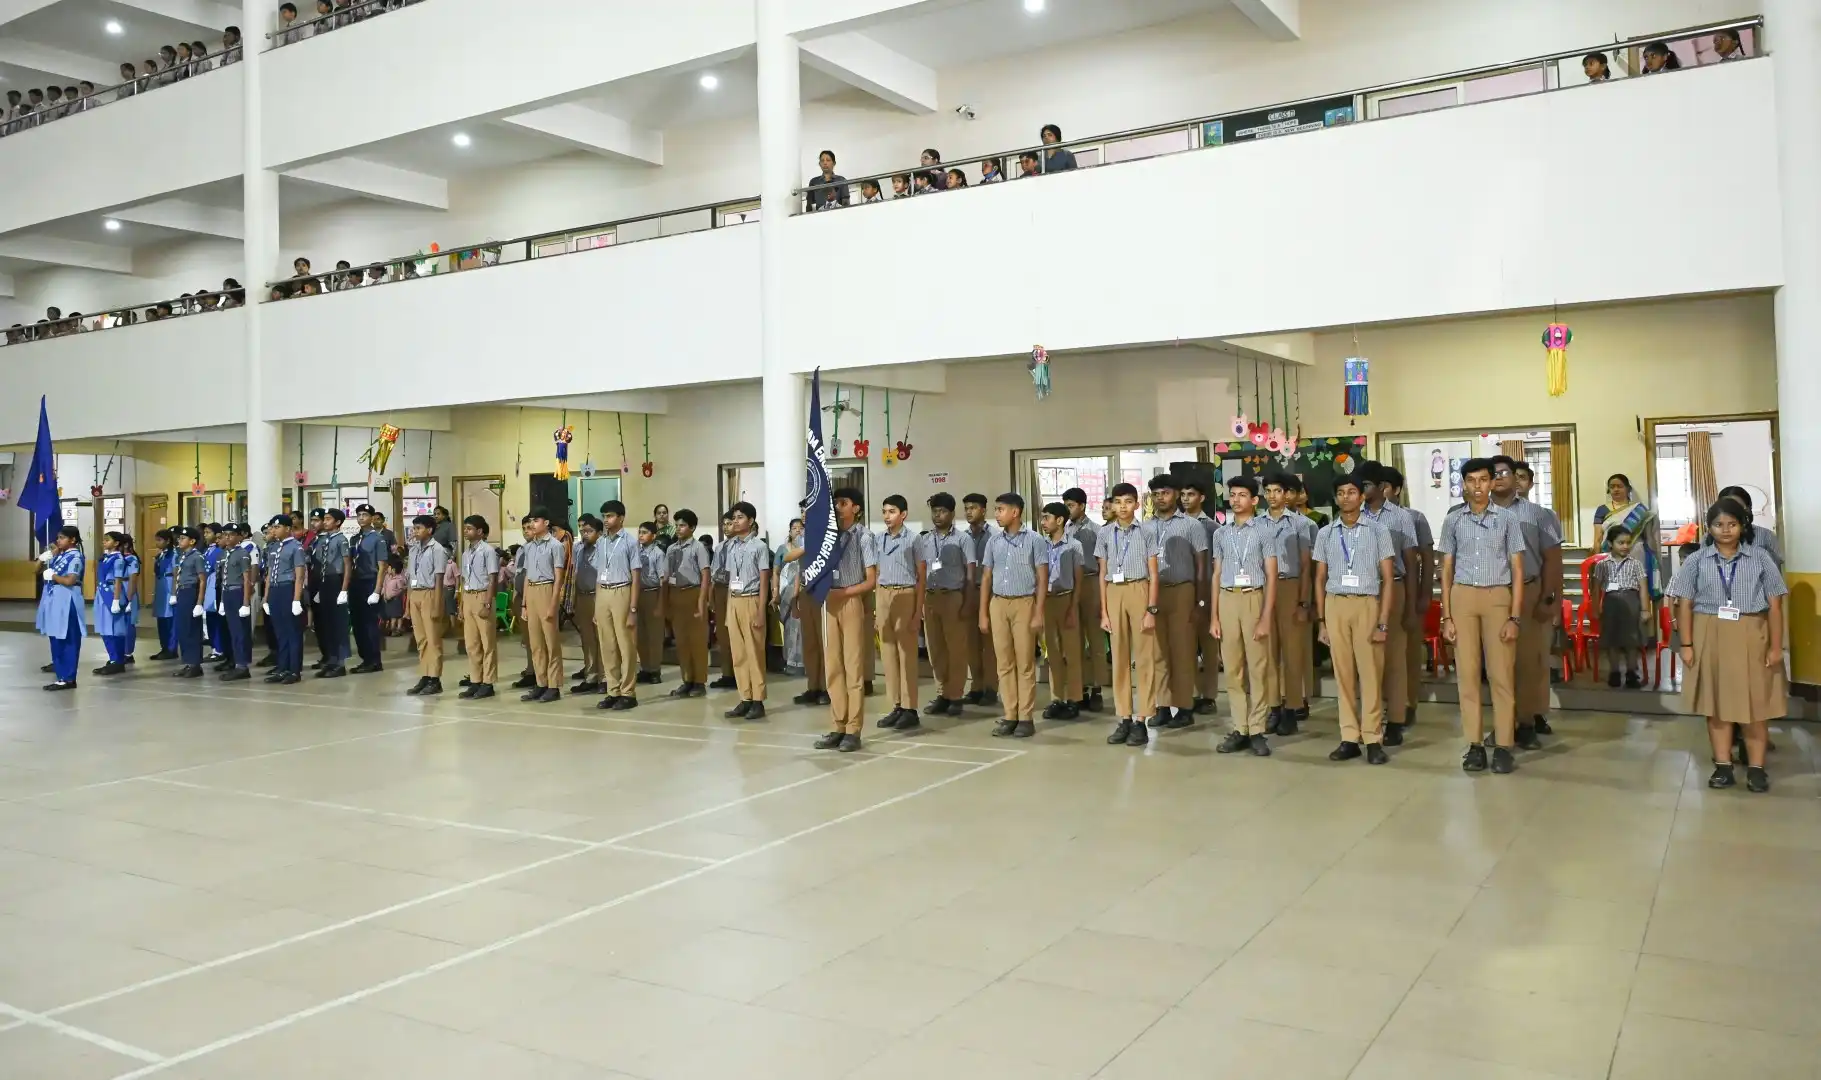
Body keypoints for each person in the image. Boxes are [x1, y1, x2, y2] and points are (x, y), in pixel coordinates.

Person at [1669, 497, 1785, 792]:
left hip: (1752, 631)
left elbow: (1775, 605)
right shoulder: (1696, 560)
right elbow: (1684, 603)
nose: (1725, 530)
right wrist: (1687, 644)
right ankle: (1723, 766)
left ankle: (1756, 769)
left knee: (1755, 705)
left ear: (1742, 526)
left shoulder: (1760, 558)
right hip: (1709, 631)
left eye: (1732, 524)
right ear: (1708, 527)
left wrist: (1775, 647)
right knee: (1716, 705)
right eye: (1718, 524)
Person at [1438, 458, 1526, 773]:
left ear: (1492, 482)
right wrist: (1447, 616)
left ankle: (1503, 746)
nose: (1478, 486)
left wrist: (1515, 617)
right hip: (1462, 597)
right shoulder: (1453, 520)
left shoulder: (1507, 519)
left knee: (1501, 675)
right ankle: (1475, 746)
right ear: (1463, 484)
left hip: (1498, 597)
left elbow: (1518, 569)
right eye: (1472, 480)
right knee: (1468, 675)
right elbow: (1446, 569)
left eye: (1484, 479)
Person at [1314, 474, 1396, 764]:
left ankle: (1373, 738)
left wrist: (1383, 622)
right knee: (1343, 675)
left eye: (1351, 492)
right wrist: (1322, 621)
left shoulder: (1378, 531)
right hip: (1336, 604)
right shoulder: (1325, 534)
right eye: (1341, 492)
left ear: (1362, 497)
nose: (1346, 497)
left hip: (1366, 604)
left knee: (1370, 674)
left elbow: (1389, 579)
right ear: (1335, 498)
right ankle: (1349, 737)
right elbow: (1319, 578)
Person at [1493, 456, 1562, 747]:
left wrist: (1549, 598)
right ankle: (1502, 724)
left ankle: (1526, 722)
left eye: (1505, 473)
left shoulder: (1538, 514)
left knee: (1528, 661)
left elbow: (1553, 559)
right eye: (1493, 473)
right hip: (1492, 593)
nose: (1499, 478)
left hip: (1529, 590)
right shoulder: (1475, 515)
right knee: (1497, 664)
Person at [1210, 476, 1281, 755]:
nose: (1236, 500)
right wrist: (1214, 616)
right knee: (1232, 668)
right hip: (1227, 598)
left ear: (1254, 500)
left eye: (1242, 495)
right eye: (1233, 495)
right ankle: (1240, 728)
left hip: (1254, 597)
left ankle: (1258, 729)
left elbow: (1272, 575)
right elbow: (1216, 574)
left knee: (1258, 667)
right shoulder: (1221, 534)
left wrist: (1265, 617)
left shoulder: (1265, 532)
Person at [1360, 463, 1422, 743]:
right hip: (1363, 591)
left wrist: (1411, 606)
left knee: (1395, 658)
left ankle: (1396, 719)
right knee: (1367, 659)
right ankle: (1371, 719)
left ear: (1381, 487)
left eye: (1365, 485)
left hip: (1393, 587)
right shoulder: (1353, 515)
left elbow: (1411, 563)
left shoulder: (1400, 518)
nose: (1360, 491)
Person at [1099, 482, 1161, 747]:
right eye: (1118, 502)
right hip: (1114, 591)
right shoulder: (1104, 533)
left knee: (1144, 659)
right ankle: (1124, 717)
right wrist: (1104, 611)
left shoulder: (1147, 532)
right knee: (1119, 658)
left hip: (1139, 589)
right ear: (1112, 505)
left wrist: (1151, 609)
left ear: (1136, 504)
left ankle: (1141, 720)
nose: (1122, 506)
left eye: (1127, 501)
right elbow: (1102, 574)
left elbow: (1154, 574)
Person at [980, 493, 1046, 737]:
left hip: (1024, 603)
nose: (996, 514)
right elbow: (986, 577)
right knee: (1004, 662)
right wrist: (983, 613)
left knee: (1025, 662)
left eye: (1000, 509)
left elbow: (1042, 578)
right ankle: (1010, 714)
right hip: (998, 603)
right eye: (996, 509)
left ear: (1015, 512)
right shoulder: (993, 542)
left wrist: (1038, 613)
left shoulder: (1035, 540)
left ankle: (1026, 717)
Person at [1144, 473, 1207, 730]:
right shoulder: (1145, 528)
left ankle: (1184, 707)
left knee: (1182, 651)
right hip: (1154, 592)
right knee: (1157, 651)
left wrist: (1200, 602)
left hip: (1183, 591)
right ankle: (1162, 706)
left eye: (1166, 493)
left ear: (1177, 495)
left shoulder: (1192, 526)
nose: (1160, 498)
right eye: (1156, 494)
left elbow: (1201, 567)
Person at [816, 488, 877, 751]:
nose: (838, 507)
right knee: (833, 666)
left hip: (850, 600)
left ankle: (853, 728)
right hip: (829, 602)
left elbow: (871, 580)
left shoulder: (864, 537)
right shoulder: (829, 536)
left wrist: (845, 592)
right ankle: (837, 725)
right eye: (836, 503)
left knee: (853, 666)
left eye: (844, 503)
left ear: (856, 508)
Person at [1379, 467, 1433, 741]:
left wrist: (1424, 595)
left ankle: (1408, 703)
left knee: (1407, 653)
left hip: (1405, 590)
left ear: (1397, 490)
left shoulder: (1413, 518)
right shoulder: (1362, 516)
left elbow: (1425, 560)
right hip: (1373, 592)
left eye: (1386, 486)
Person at [1261, 473, 1316, 735]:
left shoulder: (1301, 524)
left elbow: (1306, 567)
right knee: (1268, 651)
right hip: (1263, 588)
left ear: (1287, 494)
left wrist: (1304, 602)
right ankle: (1274, 706)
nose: (1272, 496)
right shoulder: (1256, 524)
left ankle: (1293, 707)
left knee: (1292, 652)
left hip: (1290, 586)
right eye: (1268, 491)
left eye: (1277, 491)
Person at [919, 493, 975, 717]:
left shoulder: (963, 539)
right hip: (930, 597)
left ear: (952, 514)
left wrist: (968, 602)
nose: (937, 515)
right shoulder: (925, 540)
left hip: (953, 597)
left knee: (956, 649)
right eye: (934, 511)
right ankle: (942, 693)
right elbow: (920, 572)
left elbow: (970, 574)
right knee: (935, 650)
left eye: (942, 511)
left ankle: (956, 696)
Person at [875, 495, 925, 730]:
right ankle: (895, 705)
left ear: (903, 514)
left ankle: (910, 708)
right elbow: (876, 573)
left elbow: (921, 576)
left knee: (906, 655)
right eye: (885, 511)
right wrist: (877, 610)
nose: (887, 516)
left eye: (892, 511)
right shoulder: (878, 539)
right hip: (884, 594)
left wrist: (917, 612)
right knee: (888, 655)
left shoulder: (914, 539)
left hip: (905, 593)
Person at [718, 502, 771, 719]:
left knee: (754, 653)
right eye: (733, 518)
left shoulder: (759, 547)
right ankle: (745, 697)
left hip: (751, 599)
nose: (735, 521)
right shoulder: (730, 546)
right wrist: (728, 609)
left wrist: (761, 611)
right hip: (734, 599)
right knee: (738, 653)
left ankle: (758, 700)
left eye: (740, 517)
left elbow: (764, 580)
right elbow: (731, 577)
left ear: (750, 521)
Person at [592, 501, 642, 711]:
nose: (606, 520)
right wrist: (597, 605)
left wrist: (633, 609)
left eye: (610, 516)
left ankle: (628, 692)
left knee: (625, 644)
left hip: (622, 590)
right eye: (604, 516)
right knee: (607, 644)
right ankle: (612, 690)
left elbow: (636, 575)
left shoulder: (630, 542)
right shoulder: (600, 542)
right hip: (603, 591)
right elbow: (599, 573)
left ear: (621, 518)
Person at [1061, 487, 1105, 712]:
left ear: (1082, 506)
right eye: (1066, 506)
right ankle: (1078, 690)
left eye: (1071, 506)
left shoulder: (1096, 531)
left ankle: (1097, 688)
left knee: (1095, 640)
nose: (1068, 510)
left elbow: (1103, 563)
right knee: (1073, 641)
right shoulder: (1064, 530)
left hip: (1091, 583)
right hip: (1069, 585)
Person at [1038, 502, 1084, 721]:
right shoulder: (1040, 545)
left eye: (1047, 517)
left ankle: (1074, 699)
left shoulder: (1074, 545)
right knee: (1053, 653)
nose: (1043, 522)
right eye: (1042, 517)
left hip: (1066, 599)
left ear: (1060, 520)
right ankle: (1056, 698)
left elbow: (1078, 579)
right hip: (1046, 601)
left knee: (1072, 653)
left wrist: (1073, 607)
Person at [1179, 477, 1220, 713]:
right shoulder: (1176, 524)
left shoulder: (1212, 527)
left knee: (1208, 647)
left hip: (1207, 591)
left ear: (1202, 498)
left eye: (1191, 494)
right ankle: (1192, 693)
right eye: (1183, 495)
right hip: (1183, 590)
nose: (1186, 499)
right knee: (1186, 647)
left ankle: (1209, 695)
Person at [516, 508, 565, 702]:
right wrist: (524, 604)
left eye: (536, 520)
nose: (532, 524)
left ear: (546, 523)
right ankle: (541, 682)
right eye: (530, 521)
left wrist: (554, 604)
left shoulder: (555, 546)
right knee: (535, 643)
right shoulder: (529, 547)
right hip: (532, 591)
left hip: (547, 589)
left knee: (551, 643)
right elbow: (527, 577)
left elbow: (559, 577)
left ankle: (554, 686)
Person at [1592, 525, 1650, 687]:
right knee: (1612, 640)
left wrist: (1645, 609)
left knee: (1632, 639)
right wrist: (1595, 608)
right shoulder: (1602, 565)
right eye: (1621, 542)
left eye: (1628, 542)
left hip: (1631, 602)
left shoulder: (1636, 564)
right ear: (1610, 544)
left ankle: (1631, 673)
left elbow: (1643, 587)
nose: (1625, 546)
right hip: (1610, 603)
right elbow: (1595, 589)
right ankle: (1614, 672)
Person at [665, 509, 711, 697]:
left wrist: (702, 601)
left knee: (697, 641)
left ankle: (699, 681)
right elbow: (666, 576)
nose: (678, 529)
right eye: (676, 525)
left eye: (682, 525)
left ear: (692, 528)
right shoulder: (671, 549)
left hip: (693, 592)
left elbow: (705, 575)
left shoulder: (698, 547)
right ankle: (687, 679)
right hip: (676, 594)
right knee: (681, 641)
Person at [401, 514, 448, 695]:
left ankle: (435, 678)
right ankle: (425, 675)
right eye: (414, 528)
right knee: (421, 639)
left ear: (429, 530)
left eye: (418, 528)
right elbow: (410, 579)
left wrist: (437, 604)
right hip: (415, 594)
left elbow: (439, 579)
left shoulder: (437, 550)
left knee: (433, 639)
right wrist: (407, 605)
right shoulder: (414, 550)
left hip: (430, 593)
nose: (415, 531)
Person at [455, 515, 499, 699]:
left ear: (480, 531)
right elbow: (464, 580)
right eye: (465, 528)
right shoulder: (466, 553)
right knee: (471, 643)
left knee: (487, 643)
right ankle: (475, 680)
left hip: (482, 595)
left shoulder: (488, 551)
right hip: (468, 596)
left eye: (469, 528)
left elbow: (492, 579)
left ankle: (488, 683)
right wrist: (461, 604)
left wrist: (487, 603)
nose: (466, 532)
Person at [37, 527, 87, 691]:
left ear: (72, 540)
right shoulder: (59, 555)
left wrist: (53, 576)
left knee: (68, 638)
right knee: (56, 637)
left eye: (62, 538)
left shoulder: (75, 557)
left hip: (67, 599)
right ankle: (61, 676)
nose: (58, 541)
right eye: (58, 537)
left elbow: (70, 580)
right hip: (54, 599)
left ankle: (69, 678)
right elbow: (35, 570)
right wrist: (42, 559)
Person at [961, 493, 998, 705]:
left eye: (973, 508)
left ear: (983, 510)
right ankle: (976, 686)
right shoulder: (963, 537)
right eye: (966, 508)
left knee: (989, 644)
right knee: (970, 643)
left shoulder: (994, 536)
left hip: (989, 592)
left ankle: (991, 688)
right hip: (968, 591)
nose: (969, 512)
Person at [312, 508, 353, 677]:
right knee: (327, 623)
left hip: (337, 581)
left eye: (329, 519)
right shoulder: (323, 540)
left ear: (337, 522)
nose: (325, 521)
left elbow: (347, 565)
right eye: (325, 519)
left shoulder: (341, 540)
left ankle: (340, 664)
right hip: (325, 581)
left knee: (338, 624)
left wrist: (344, 589)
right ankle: (331, 659)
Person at [349, 503, 387, 672]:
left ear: (372, 518)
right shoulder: (354, 539)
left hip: (370, 581)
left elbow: (382, 566)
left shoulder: (378, 538)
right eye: (359, 515)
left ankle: (374, 660)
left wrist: (377, 591)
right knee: (357, 623)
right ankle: (365, 658)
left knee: (369, 623)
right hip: (356, 582)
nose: (361, 518)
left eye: (365, 515)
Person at [569, 515, 604, 693]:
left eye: (589, 531)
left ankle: (605, 678)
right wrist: (573, 598)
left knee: (602, 639)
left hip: (598, 596)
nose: (585, 534)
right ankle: (591, 676)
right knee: (587, 639)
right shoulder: (578, 548)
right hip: (582, 596)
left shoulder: (604, 548)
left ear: (599, 533)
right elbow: (575, 573)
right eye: (582, 531)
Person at [216, 523, 255, 680]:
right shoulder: (224, 554)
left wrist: (245, 603)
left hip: (238, 592)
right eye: (225, 534)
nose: (227, 537)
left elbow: (246, 580)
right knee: (232, 631)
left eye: (231, 534)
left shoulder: (242, 554)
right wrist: (222, 601)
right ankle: (236, 662)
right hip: (227, 593)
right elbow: (222, 578)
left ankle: (242, 666)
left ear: (239, 537)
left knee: (240, 631)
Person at [708, 511, 738, 690]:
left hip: (735, 590)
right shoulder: (720, 547)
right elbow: (713, 574)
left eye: (729, 523)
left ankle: (739, 674)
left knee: (735, 633)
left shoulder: (740, 546)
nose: (726, 527)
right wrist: (711, 597)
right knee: (722, 634)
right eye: (724, 524)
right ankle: (727, 673)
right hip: (720, 590)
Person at [93, 533, 131, 677]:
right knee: (105, 629)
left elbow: (118, 580)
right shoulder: (105, 558)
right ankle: (112, 658)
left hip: (112, 594)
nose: (104, 542)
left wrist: (116, 600)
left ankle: (118, 661)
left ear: (116, 543)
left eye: (107, 540)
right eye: (103, 539)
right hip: (102, 593)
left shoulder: (118, 559)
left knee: (115, 630)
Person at [171, 526, 207, 678]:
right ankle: (187, 662)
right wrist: (174, 594)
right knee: (183, 628)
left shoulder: (197, 556)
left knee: (192, 629)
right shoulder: (182, 556)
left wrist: (199, 603)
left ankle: (195, 664)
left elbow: (202, 580)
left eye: (183, 538)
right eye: (179, 538)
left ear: (192, 541)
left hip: (191, 591)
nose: (179, 541)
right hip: (182, 591)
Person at [1718, 485, 1782, 567]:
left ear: (1748, 509)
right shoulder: (1708, 538)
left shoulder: (1766, 536)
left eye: (1738, 507)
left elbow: (1775, 568)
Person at [636, 520, 668, 684]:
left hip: (653, 593)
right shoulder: (636, 552)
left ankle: (655, 669)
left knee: (654, 635)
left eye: (645, 532)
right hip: (638, 594)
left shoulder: (658, 553)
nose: (641, 535)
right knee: (640, 635)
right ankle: (645, 668)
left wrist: (660, 603)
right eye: (640, 532)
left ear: (653, 536)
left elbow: (663, 580)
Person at [151, 529, 179, 660]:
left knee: (170, 620)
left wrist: (174, 593)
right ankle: (164, 647)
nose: (157, 543)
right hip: (161, 587)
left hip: (169, 586)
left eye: (160, 540)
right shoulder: (161, 555)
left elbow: (175, 573)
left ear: (168, 541)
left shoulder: (174, 555)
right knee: (161, 619)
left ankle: (171, 649)